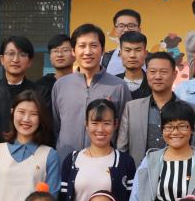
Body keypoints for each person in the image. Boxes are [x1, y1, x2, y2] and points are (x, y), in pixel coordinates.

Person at [58, 98, 136, 201]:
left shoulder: (125, 162)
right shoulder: (72, 160)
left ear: (115, 124)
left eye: (106, 123)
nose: (100, 129)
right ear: (86, 124)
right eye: (94, 123)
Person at [52, 23, 131, 161]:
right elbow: (55, 127)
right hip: (66, 163)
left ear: (103, 50)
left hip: (105, 164)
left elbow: (125, 130)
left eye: (93, 46)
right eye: (82, 46)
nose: (87, 52)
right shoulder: (61, 85)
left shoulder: (119, 86)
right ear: (73, 51)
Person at [117, 51, 195, 167]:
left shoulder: (193, 111)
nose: (158, 76)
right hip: (140, 173)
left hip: (179, 174)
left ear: (174, 75)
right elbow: (122, 150)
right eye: (152, 72)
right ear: (147, 74)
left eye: (163, 72)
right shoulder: (131, 108)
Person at [0, 35, 40, 144]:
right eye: (11, 53)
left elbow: (44, 128)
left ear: (29, 62)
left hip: (31, 152)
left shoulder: (40, 92)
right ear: (2, 59)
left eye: (22, 54)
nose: (15, 59)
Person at [102, 8, 143, 76]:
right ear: (115, 30)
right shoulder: (104, 59)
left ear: (139, 30)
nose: (126, 30)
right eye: (121, 26)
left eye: (131, 26)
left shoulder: (150, 59)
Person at [37, 34, 75, 100]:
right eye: (55, 51)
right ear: (50, 57)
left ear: (74, 55)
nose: (59, 55)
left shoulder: (82, 83)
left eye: (65, 50)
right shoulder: (41, 86)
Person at [114, 30, 151, 98]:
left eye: (138, 50)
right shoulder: (111, 83)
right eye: (127, 50)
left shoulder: (153, 83)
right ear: (120, 54)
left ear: (145, 54)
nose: (132, 55)